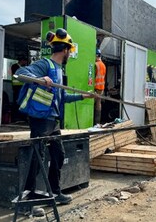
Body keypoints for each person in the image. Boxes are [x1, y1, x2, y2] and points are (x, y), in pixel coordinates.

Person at [16, 28, 94, 216]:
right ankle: (29, 200)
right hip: (40, 120)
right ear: (65, 50)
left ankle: (55, 192)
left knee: (58, 154)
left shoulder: (59, 70)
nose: (70, 54)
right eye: (70, 50)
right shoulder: (46, 65)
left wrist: (81, 97)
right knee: (37, 158)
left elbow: (60, 96)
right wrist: (39, 79)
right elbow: (20, 72)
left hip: (53, 121)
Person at [11, 57, 28, 122]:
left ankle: (21, 116)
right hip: (16, 86)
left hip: (22, 86)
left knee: (22, 101)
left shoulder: (23, 67)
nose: (26, 63)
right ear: (22, 60)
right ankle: (15, 117)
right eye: (25, 61)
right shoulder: (15, 66)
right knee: (16, 101)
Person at [94, 48, 106, 125]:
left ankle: (94, 121)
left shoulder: (96, 64)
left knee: (93, 103)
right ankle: (97, 122)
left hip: (95, 87)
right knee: (98, 103)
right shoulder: (103, 65)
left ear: (96, 55)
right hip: (101, 87)